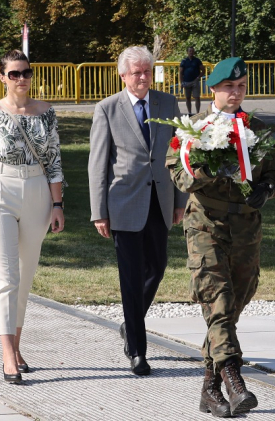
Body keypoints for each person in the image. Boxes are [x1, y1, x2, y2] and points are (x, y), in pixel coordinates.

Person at [166, 57, 275, 416]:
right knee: (217, 297)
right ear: (212, 90)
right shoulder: (193, 131)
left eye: (241, 86)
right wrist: (207, 166)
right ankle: (234, 377)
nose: (235, 92)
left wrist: (266, 190)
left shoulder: (257, 129)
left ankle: (208, 388)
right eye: (229, 87)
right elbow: (180, 177)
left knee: (232, 305)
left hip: (247, 227)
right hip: (206, 224)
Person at [88, 46, 188, 376]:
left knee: (157, 268)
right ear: (123, 76)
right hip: (123, 204)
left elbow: (177, 155)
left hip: (159, 202)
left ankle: (130, 323)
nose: (143, 77)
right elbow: (97, 164)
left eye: (147, 71)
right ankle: (138, 352)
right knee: (130, 279)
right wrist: (99, 211)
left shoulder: (167, 103)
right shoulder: (107, 109)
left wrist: (179, 201)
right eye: (136, 73)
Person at [0, 49, 65, 383]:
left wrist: (57, 205)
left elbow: (54, 162)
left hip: (37, 191)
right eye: (14, 74)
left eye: (25, 72)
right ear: (2, 77)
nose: (21, 79)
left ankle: (18, 347)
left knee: (24, 275)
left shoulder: (47, 112)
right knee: (4, 274)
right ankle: (7, 355)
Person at [179, 46, 205, 115]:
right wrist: (181, 82)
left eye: (192, 51)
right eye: (190, 51)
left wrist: (198, 77)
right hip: (186, 81)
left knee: (197, 97)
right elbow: (181, 73)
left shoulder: (197, 60)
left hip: (195, 81)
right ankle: (189, 112)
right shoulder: (184, 61)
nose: (191, 52)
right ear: (187, 52)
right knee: (188, 98)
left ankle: (197, 113)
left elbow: (203, 70)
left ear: (194, 52)